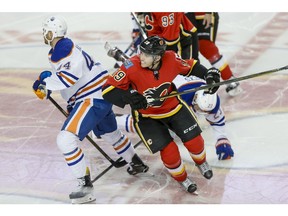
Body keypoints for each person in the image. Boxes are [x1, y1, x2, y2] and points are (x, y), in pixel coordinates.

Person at [32, 15, 148, 204]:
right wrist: (48, 81)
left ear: (52, 32)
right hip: (101, 94)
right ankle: (134, 162)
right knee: (111, 133)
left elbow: (68, 78)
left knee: (66, 140)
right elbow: (70, 77)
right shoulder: (62, 48)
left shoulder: (64, 49)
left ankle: (85, 186)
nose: (44, 34)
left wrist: (46, 85)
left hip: (92, 98)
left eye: (46, 30)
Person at [102, 35, 221, 193]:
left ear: (158, 57)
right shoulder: (130, 66)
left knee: (195, 142)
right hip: (147, 117)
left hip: (173, 108)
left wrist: (209, 75)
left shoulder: (171, 59)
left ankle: (201, 162)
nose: (140, 56)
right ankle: (182, 178)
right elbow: (107, 90)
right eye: (141, 52)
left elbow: (191, 67)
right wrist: (128, 96)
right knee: (169, 152)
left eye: (145, 54)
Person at [116, 74, 234, 160]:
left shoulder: (211, 99)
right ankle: (115, 122)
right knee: (148, 125)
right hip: (160, 95)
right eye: (199, 108)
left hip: (174, 91)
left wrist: (221, 139)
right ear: (195, 99)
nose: (201, 112)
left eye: (204, 111)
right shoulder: (178, 94)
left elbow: (217, 120)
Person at [185, 12, 243, 96]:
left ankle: (229, 78)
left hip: (203, 13)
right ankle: (193, 83)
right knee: (190, 48)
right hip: (185, 14)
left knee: (206, 47)